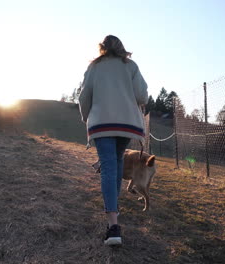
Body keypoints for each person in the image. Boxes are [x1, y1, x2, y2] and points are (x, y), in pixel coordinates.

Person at [78, 35, 148, 246]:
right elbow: (143, 96)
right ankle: (114, 213)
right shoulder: (131, 66)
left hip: (102, 124)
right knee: (116, 165)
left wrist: (86, 118)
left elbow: (84, 96)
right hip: (127, 124)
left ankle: (113, 226)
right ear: (122, 48)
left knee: (109, 167)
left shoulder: (94, 67)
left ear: (102, 49)